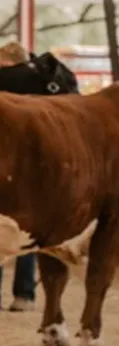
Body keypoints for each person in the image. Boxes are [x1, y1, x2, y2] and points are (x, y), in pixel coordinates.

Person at [0, 41, 37, 312]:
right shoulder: (39, 82)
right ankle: (24, 294)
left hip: (4, 163)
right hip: (32, 166)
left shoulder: (4, 82)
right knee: (29, 228)